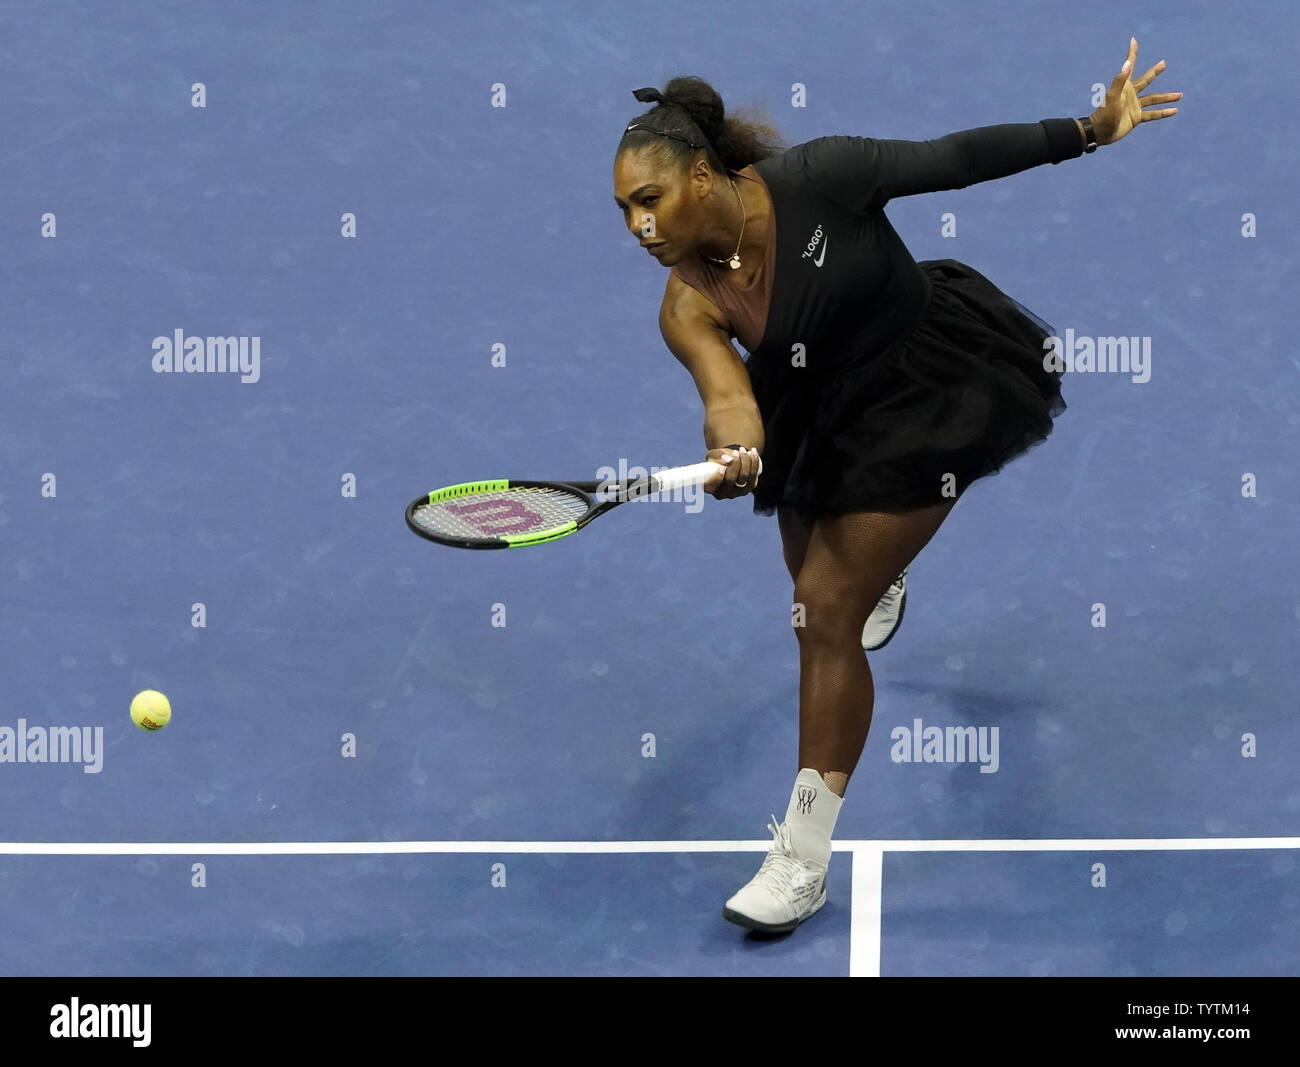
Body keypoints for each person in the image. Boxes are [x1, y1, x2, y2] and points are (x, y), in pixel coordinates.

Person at [612, 38, 1180, 933]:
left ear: (707, 177)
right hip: (809, 410)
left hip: (929, 386)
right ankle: (885, 566)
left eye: (651, 200)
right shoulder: (686, 303)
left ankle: (801, 858)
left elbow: (954, 160)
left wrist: (1092, 130)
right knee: (821, 595)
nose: (640, 227)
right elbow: (729, 399)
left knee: (825, 608)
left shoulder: (823, 177)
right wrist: (734, 452)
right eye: (625, 210)